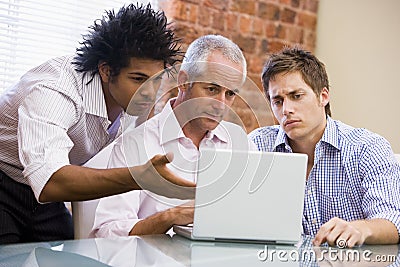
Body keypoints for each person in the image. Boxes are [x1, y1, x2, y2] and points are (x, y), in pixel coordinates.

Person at [0, 3, 195, 245]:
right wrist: (137, 178)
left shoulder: (133, 103)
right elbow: (50, 180)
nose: (150, 92)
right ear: (105, 70)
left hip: (40, 196)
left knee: (70, 255)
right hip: (6, 178)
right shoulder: (56, 90)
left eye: (157, 81)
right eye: (138, 79)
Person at [91, 34, 256, 237]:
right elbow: (106, 234)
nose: (221, 104)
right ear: (184, 82)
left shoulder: (238, 141)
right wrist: (169, 217)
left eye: (230, 94)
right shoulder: (134, 145)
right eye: (212, 89)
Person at [248, 47, 400, 248]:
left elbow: (391, 221)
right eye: (278, 101)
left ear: (323, 96)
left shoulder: (367, 148)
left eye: (296, 96)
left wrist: (361, 228)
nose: (286, 110)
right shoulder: (257, 147)